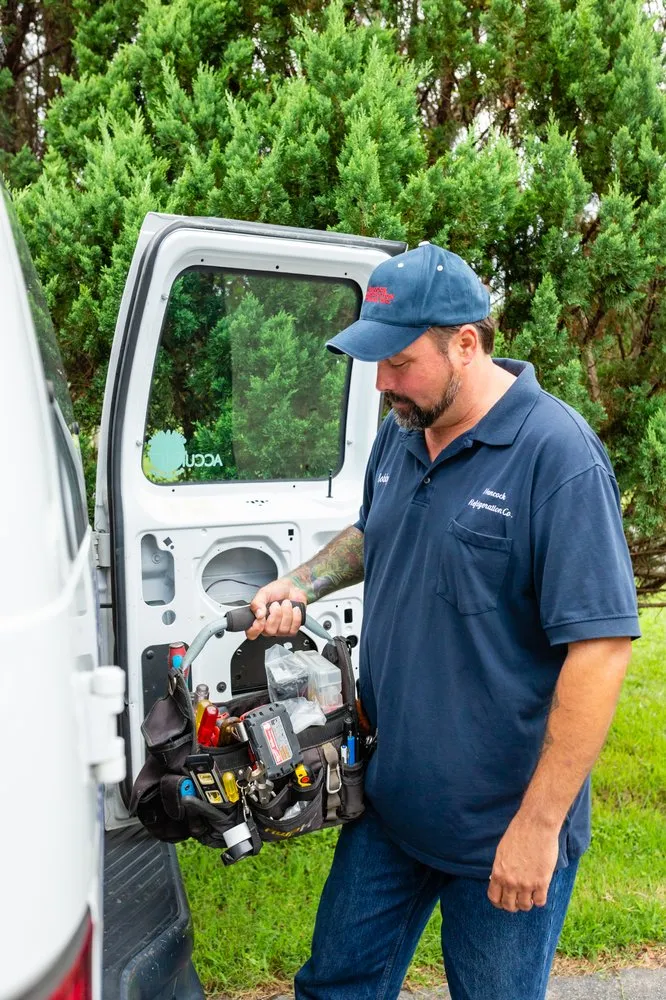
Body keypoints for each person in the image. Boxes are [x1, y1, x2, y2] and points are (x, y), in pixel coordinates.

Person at [246, 242, 639, 1000]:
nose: (383, 382)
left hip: (501, 828)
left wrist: (538, 828)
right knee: (333, 987)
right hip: (391, 804)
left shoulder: (557, 459)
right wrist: (303, 580)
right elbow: (378, 529)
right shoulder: (403, 432)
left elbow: (601, 652)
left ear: (466, 342)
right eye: (376, 363)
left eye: (399, 362)